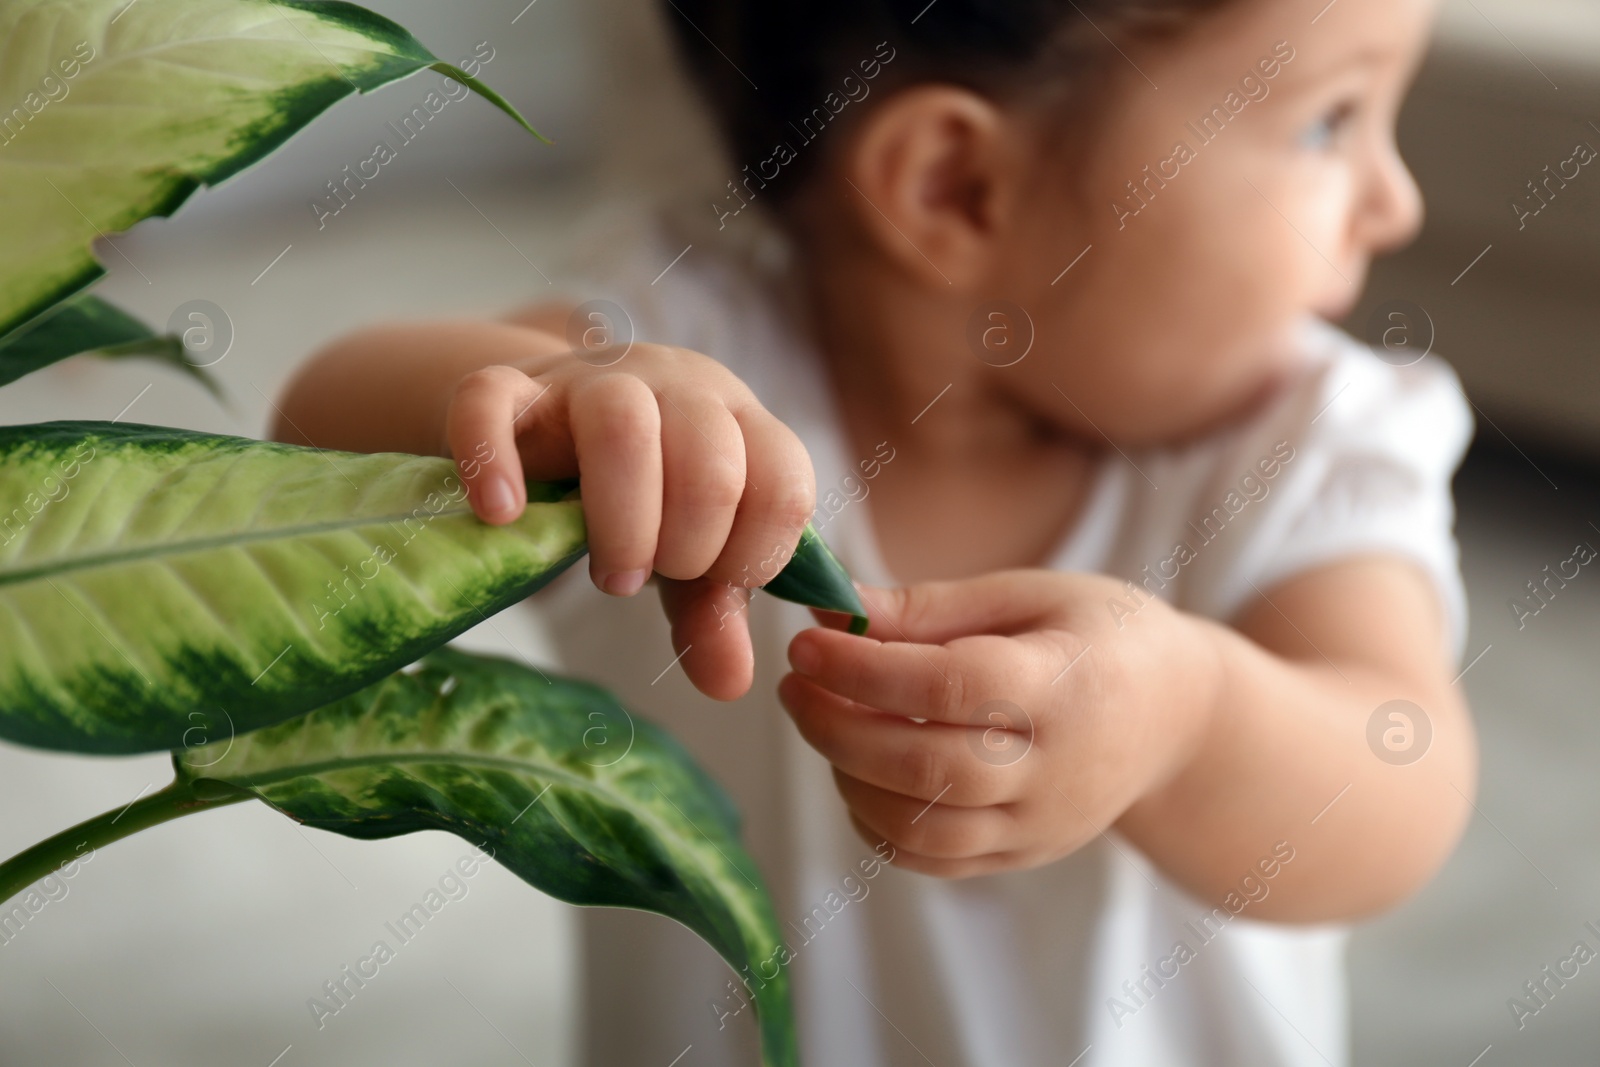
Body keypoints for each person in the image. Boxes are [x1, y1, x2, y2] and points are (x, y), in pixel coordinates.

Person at [272, 0, 1476, 1061]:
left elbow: (1400, 781)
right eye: (1331, 121)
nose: (1397, 197)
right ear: (956, 186)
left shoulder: (1312, 444)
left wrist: (1191, 716)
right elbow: (312, 451)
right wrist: (558, 408)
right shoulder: (681, 348)